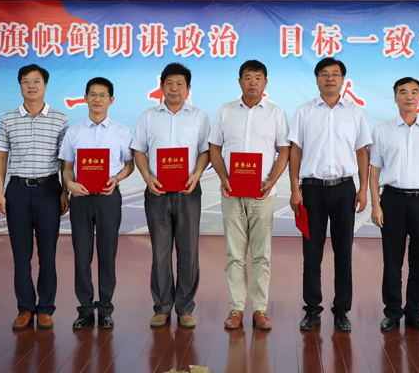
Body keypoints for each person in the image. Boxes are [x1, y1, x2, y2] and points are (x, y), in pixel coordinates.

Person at [288, 57, 371, 332]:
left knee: (343, 254)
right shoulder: (304, 111)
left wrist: (363, 189)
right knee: (311, 254)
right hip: (311, 191)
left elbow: (362, 152)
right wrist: (294, 189)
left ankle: (342, 311)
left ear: (343, 80)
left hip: (345, 190)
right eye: (324, 74)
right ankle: (312, 309)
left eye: (335, 74)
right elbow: (295, 152)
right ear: (316, 80)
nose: (330, 78)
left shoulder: (355, 113)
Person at [209, 60, 290, 330]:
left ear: (265, 82)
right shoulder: (225, 110)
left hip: (262, 194)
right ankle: (236, 309)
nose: (252, 82)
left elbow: (284, 151)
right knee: (234, 253)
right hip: (231, 192)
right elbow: (215, 148)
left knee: (261, 254)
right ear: (240, 81)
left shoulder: (276, 113)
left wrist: (271, 181)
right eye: (247, 77)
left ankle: (260, 309)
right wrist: (223, 177)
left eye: (258, 77)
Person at [131, 63, 210, 328]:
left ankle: (185, 308)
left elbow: (205, 151)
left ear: (188, 88)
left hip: (188, 191)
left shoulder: (200, 116)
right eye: (169, 83)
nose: (174, 88)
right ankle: (162, 307)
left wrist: (197, 174)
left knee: (189, 252)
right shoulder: (148, 116)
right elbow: (139, 150)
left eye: (180, 84)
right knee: (160, 253)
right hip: (157, 191)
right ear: (162, 86)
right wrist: (147, 177)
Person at [369, 77, 419, 333]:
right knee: (392, 262)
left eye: (414, 92)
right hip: (392, 200)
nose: (409, 96)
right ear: (395, 98)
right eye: (403, 92)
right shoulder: (382, 130)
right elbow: (374, 171)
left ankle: (414, 312)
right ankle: (392, 312)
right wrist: (376, 205)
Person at [0, 64, 69, 330]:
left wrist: (65, 190)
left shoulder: (60, 119)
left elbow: (66, 160)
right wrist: (0, 193)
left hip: (49, 190)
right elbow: (1, 157)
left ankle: (45, 309)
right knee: (21, 254)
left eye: (37, 81)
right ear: (20, 86)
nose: (31, 86)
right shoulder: (8, 119)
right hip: (16, 190)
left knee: (48, 254)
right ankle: (25, 308)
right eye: (26, 81)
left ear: (45, 86)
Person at [59, 77, 135, 329]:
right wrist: (69, 184)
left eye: (102, 95)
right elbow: (66, 167)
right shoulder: (74, 132)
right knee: (81, 255)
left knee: (107, 254)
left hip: (108, 198)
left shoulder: (122, 131)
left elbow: (129, 165)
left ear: (111, 100)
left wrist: (116, 179)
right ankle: (84, 309)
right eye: (92, 94)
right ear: (85, 98)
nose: (97, 99)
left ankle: (105, 309)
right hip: (80, 198)